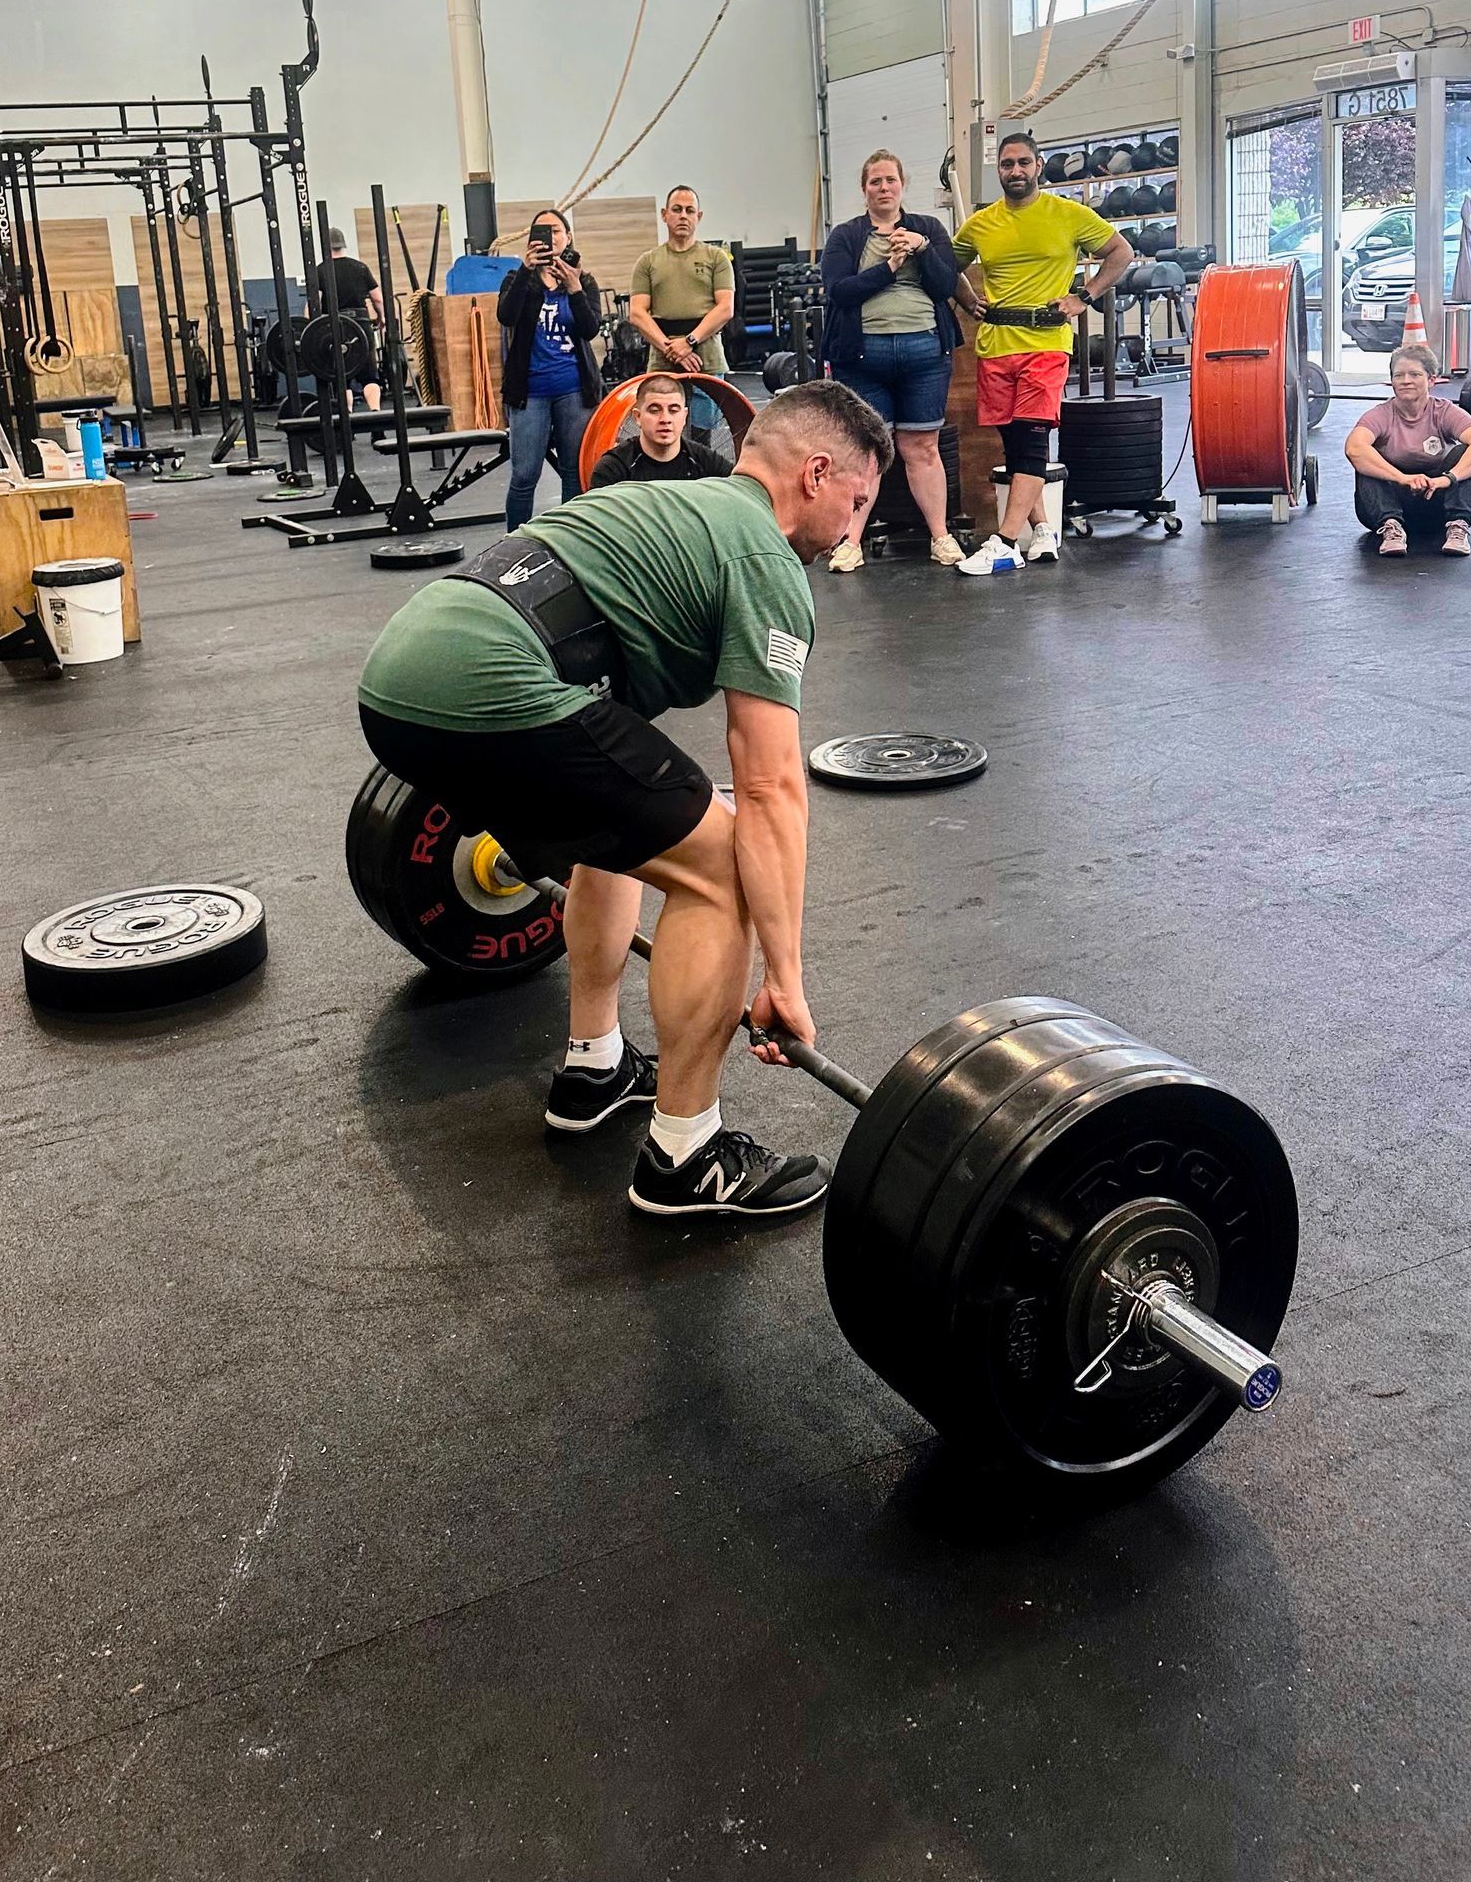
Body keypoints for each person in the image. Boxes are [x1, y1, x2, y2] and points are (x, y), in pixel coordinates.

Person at [357, 382, 893, 1221]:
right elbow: (770, 787)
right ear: (817, 474)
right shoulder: (763, 558)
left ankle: (593, 1064)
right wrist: (785, 978)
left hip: (398, 684)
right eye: (857, 504)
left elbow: (624, 776)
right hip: (489, 685)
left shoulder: (666, 508)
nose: (853, 529)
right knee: (721, 867)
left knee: (629, 830)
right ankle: (687, 1154)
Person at [954, 131, 1133, 573]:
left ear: (1038, 166)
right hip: (996, 344)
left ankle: (1005, 543)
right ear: (999, 170)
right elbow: (946, 267)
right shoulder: (981, 223)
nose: (1015, 171)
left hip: (1046, 343)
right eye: (1006, 164)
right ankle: (1044, 530)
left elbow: (1120, 251)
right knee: (1014, 446)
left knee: (1034, 441)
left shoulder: (1068, 214)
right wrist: (965, 298)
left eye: (1022, 163)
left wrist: (1084, 297)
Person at [819, 149, 968, 571]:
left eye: (890, 180)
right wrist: (889, 267)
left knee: (922, 448)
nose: (883, 188)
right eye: (875, 182)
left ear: (902, 185)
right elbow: (840, 292)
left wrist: (921, 249)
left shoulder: (929, 229)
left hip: (925, 356)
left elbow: (944, 286)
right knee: (868, 451)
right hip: (863, 359)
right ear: (864, 190)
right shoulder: (846, 237)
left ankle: (941, 537)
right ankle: (850, 542)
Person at [496, 210, 603, 531]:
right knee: (524, 473)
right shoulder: (517, 279)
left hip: (574, 389)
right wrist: (526, 270)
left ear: (568, 237)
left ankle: (569, 541)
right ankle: (513, 542)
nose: (551, 237)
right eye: (542, 232)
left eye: (557, 230)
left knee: (573, 470)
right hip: (529, 391)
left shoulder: (584, 281)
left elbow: (590, 328)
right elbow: (506, 316)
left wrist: (574, 289)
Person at [1345, 342, 1471, 556]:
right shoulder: (1380, 415)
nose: (1406, 381)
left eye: (1414, 374)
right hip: (1387, 508)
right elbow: (1354, 449)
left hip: (1438, 506)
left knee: (1465, 452)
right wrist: (1402, 478)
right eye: (1399, 375)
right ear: (1392, 381)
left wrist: (1446, 479)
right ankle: (1392, 529)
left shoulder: (1444, 411)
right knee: (1367, 458)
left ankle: (1457, 526)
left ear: (1431, 379)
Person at [628, 187, 736, 392]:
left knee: (704, 424)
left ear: (699, 216)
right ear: (664, 214)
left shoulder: (716, 258)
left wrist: (689, 341)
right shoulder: (648, 261)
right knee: (663, 422)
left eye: (689, 210)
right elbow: (637, 313)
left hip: (706, 361)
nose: (683, 216)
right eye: (677, 209)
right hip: (662, 361)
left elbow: (725, 308)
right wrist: (673, 349)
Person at [588, 371, 734, 488]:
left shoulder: (705, 462)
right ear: (637, 417)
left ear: (684, 416)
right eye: (654, 410)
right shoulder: (613, 469)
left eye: (673, 410)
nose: (665, 419)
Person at [313, 226, 385, 408]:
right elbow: (377, 298)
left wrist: (311, 329)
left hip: (335, 326)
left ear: (326, 246)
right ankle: (376, 416)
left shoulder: (320, 270)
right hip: (360, 324)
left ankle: (348, 423)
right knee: (370, 376)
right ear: (343, 245)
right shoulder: (360, 267)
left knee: (342, 377)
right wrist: (382, 318)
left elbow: (313, 302)